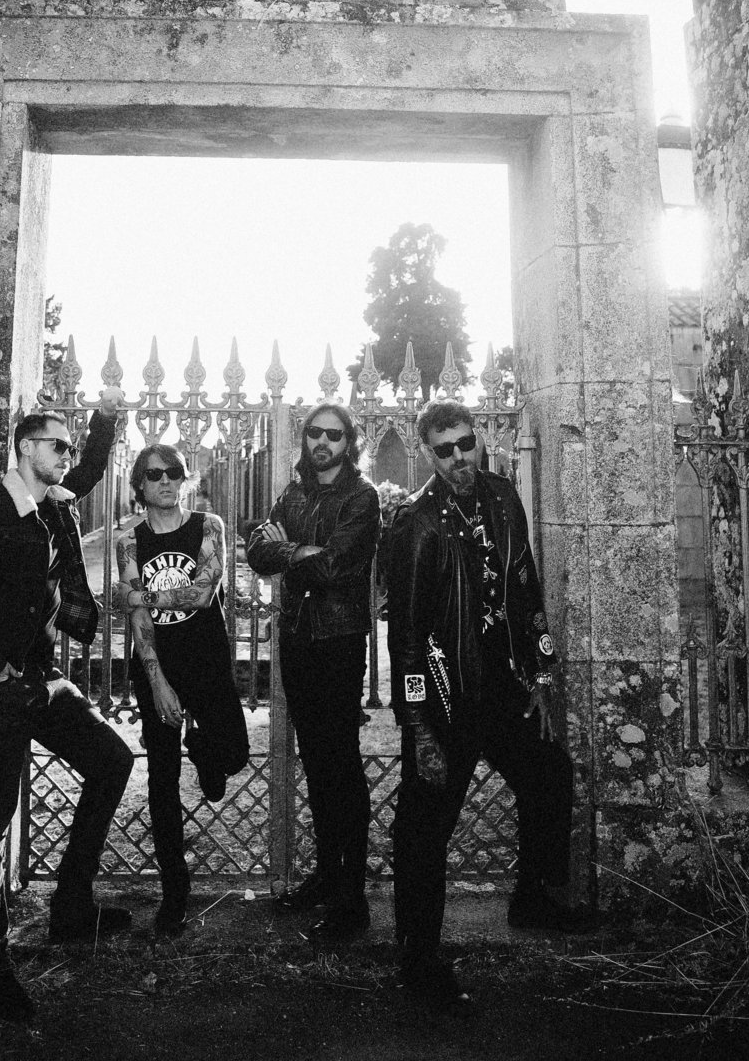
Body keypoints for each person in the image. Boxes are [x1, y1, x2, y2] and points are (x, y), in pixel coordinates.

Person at [0, 402, 134, 1023]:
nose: (66, 458)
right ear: (25, 448)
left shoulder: (51, 505)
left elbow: (89, 472)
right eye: (57, 447)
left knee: (112, 760)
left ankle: (70, 908)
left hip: (40, 682)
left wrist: (103, 424)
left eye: (69, 449)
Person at [387, 399, 579, 1011]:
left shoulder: (501, 497)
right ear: (427, 453)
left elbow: (525, 586)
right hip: (446, 697)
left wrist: (541, 674)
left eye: (465, 444)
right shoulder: (416, 523)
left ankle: (533, 898)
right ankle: (418, 958)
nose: (459, 458)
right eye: (444, 450)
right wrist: (418, 728)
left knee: (548, 773)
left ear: (479, 440)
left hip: (501, 685)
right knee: (426, 826)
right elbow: (405, 640)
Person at [246, 402, 380, 943]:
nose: (322, 442)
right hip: (299, 640)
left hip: (339, 641)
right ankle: (327, 878)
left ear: (349, 442)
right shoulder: (294, 491)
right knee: (318, 765)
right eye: (314, 433)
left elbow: (336, 566)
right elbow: (257, 550)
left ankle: (352, 900)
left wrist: (291, 550)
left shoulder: (362, 497)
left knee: (340, 765)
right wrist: (300, 549)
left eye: (334, 434)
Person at [116, 444, 249, 936]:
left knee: (234, 753)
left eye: (174, 472)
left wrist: (142, 594)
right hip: (159, 667)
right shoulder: (129, 541)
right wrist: (158, 683)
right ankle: (175, 891)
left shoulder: (208, 526)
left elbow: (203, 592)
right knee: (162, 780)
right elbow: (139, 620)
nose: (166, 481)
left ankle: (205, 750)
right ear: (140, 485)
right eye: (155, 475)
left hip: (207, 660)